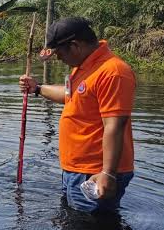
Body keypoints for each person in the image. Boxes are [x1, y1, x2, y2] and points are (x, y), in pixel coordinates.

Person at [19, 17, 136, 213]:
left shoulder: (112, 72)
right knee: (73, 219)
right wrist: (37, 88)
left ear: (75, 46)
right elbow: (70, 96)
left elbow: (114, 126)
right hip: (76, 169)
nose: (58, 58)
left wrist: (108, 173)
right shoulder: (83, 68)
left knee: (91, 224)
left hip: (94, 172)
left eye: (59, 53)